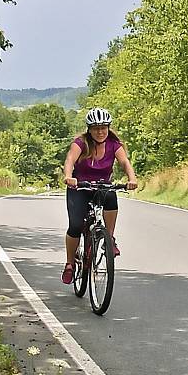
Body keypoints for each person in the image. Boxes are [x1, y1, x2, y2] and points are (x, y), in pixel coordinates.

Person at [61, 107, 137, 284]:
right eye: (96, 128)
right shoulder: (81, 143)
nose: (100, 132)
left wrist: (132, 178)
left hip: (101, 185)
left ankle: (109, 238)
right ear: (89, 129)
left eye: (104, 127)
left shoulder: (114, 144)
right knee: (75, 226)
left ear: (108, 127)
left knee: (111, 196)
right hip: (80, 187)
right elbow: (70, 160)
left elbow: (125, 162)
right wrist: (68, 177)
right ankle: (70, 264)